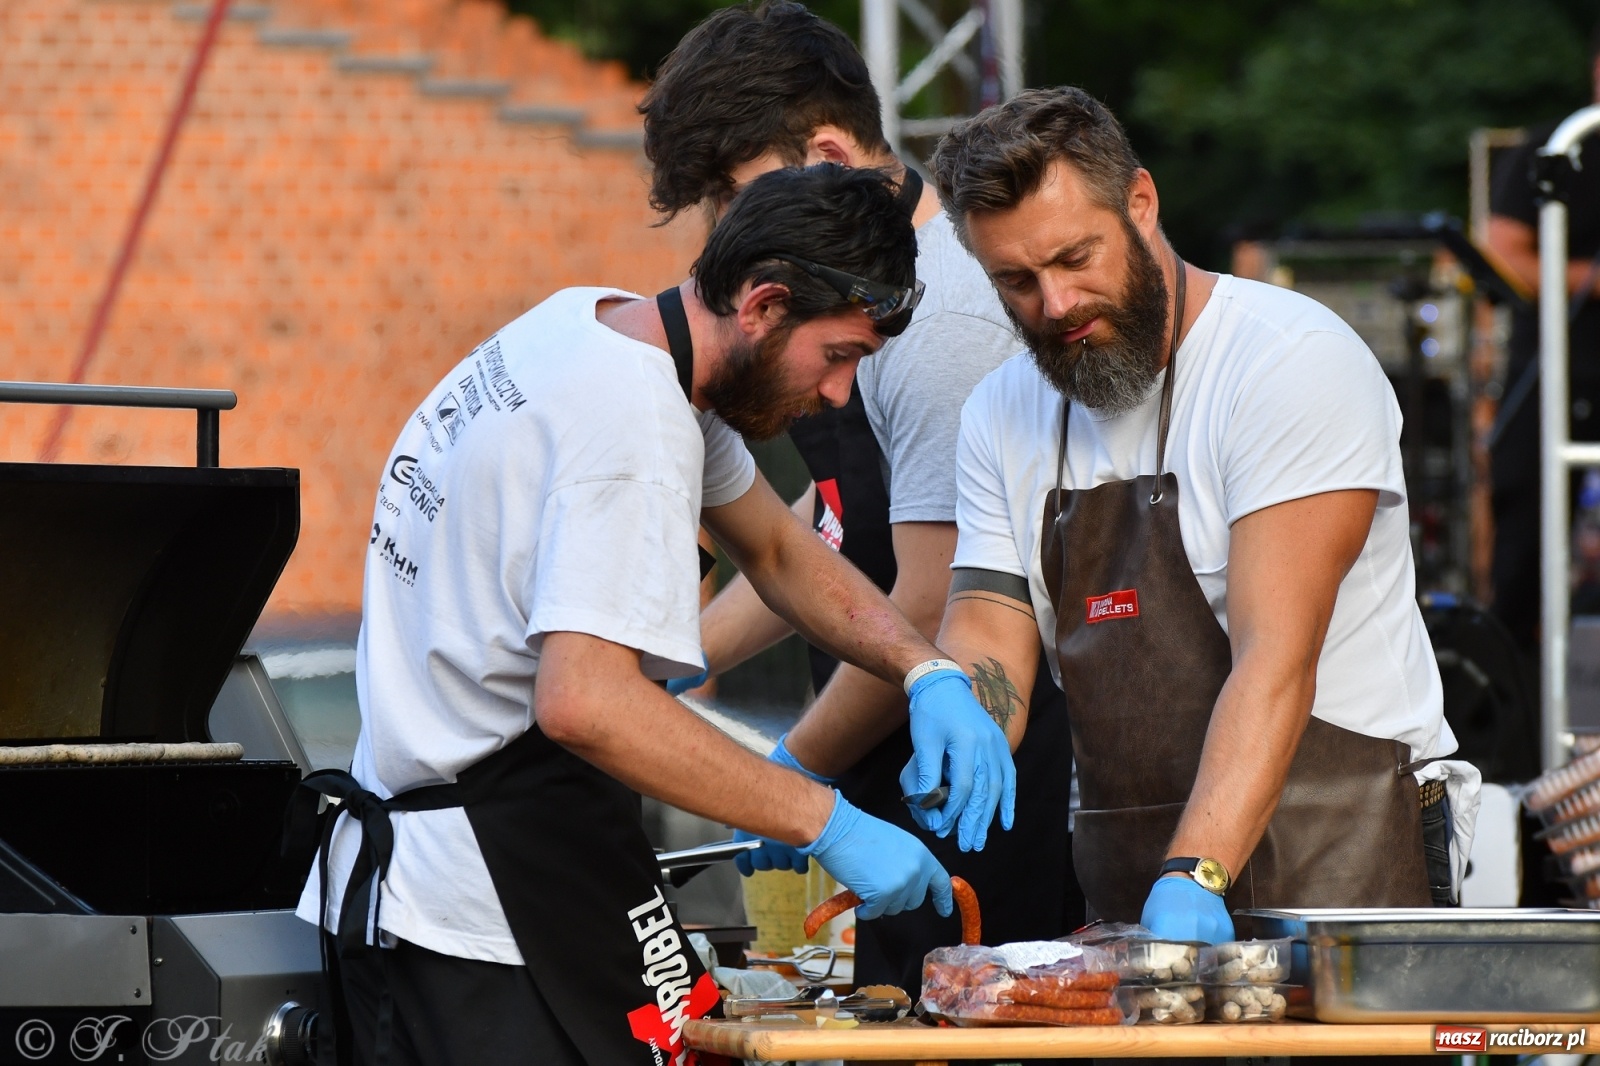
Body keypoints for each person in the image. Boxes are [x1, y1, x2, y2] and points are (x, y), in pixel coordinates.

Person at [291, 163, 1015, 1066]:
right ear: (762, 305)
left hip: (458, 877)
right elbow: (586, 704)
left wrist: (925, 669)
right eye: (839, 356)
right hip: (486, 914)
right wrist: (826, 820)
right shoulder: (630, 429)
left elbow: (781, 552)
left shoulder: (596, 326)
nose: (838, 396)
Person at [924, 87, 1480, 943]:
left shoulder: (1291, 362)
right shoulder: (1001, 412)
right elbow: (990, 625)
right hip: (1134, 874)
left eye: (1077, 258)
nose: (1056, 303)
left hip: (1344, 855)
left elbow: (1275, 661)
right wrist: (958, 705)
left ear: (1141, 204)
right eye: (1017, 282)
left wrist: (1196, 875)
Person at [639, 0, 1083, 995]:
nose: (726, 233)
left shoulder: (938, 328)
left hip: (985, 784)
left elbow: (928, 602)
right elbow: (835, 521)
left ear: (833, 156)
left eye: (734, 195)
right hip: (884, 762)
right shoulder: (835, 299)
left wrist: (794, 773)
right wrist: (686, 657)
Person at [1487, 20, 1600, 652]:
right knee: (1525, 544)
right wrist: (1588, 277)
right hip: (1556, 373)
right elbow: (1502, 254)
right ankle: (1514, 706)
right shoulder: (1558, 149)